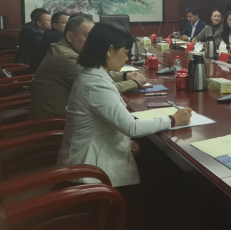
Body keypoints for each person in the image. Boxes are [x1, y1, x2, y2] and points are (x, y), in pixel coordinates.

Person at [56, 21, 192, 188]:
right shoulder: (95, 84)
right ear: (110, 50)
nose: (127, 58)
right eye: (125, 52)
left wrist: (124, 142)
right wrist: (173, 119)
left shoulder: (94, 75)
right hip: (89, 177)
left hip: (90, 162)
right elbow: (131, 127)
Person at [29, 16, 146, 120]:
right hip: (54, 123)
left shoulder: (65, 50)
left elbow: (97, 76)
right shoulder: (66, 57)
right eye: (88, 36)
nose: (93, 41)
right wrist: (135, 83)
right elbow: (100, 88)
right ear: (70, 36)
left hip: (64, 116)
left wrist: (125, 75)